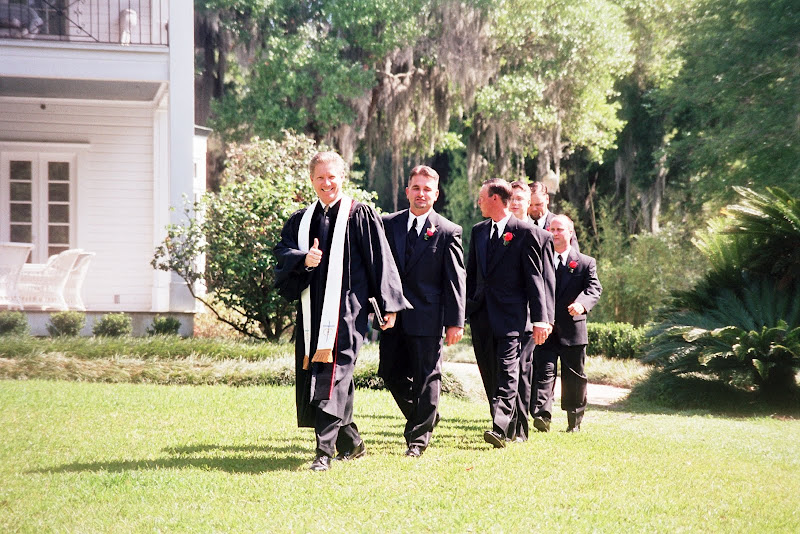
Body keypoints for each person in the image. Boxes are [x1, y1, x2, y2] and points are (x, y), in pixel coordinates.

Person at [274, 151, 410, 472]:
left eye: (332, 176)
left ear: (342, 178)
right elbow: (281, 253)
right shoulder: (301, 220)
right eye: (320, 177)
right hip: (312, 310)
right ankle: (352, 442)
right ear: (311, 180)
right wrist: (303, 259)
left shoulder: (358, 215)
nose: (327, 183)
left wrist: (388, 305)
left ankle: (324, 452)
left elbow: (380, 260)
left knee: (332, 375)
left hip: (348, 312)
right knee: (336, 377)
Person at [379, 165, 466, 457]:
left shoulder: (448, 231)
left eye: (427, 189)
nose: (421, 194)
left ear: (436, 194)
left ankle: (417, 440)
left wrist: (455, 322)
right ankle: (426, 416)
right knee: (390, 373)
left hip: (428, 316)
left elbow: (455, 280)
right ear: (407, 192)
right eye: (416, 188)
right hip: (392, 315)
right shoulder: (387, 224)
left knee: (427, 377)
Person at [466, 178, 554, 448]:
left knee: (508, 371)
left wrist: (541, 319)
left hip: (513, 319)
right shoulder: (478, 231)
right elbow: (471, 277)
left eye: (482, 197)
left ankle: (500, 427)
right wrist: (462, 314)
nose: (478, 202)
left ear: (494, 199)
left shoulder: (525, 233)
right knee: (491, 373)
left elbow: (535, 280)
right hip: (482, 317)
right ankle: (510, 425)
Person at [531, 214, 602, 433]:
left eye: (559, 229)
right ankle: (542, 416)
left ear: (570, 233)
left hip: (573, 329)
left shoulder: (585, 262)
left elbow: (594, 289)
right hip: (546, 329)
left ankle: (574, 421)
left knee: (574, 377)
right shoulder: (540, 261)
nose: (554, 233)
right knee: (543, 372)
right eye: (551, 229)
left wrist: (582, 304)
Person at [508, 180, 556, 441]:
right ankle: (506, 421)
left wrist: (545, 318)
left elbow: (547, 281)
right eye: (511, 197)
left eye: (520, 198)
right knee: (506, 371)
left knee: (522, 368)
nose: (515, 203)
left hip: (529, 316)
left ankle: (519, 427)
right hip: (501, 314)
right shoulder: (495, 231)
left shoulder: (541, 235)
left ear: (528, 203)